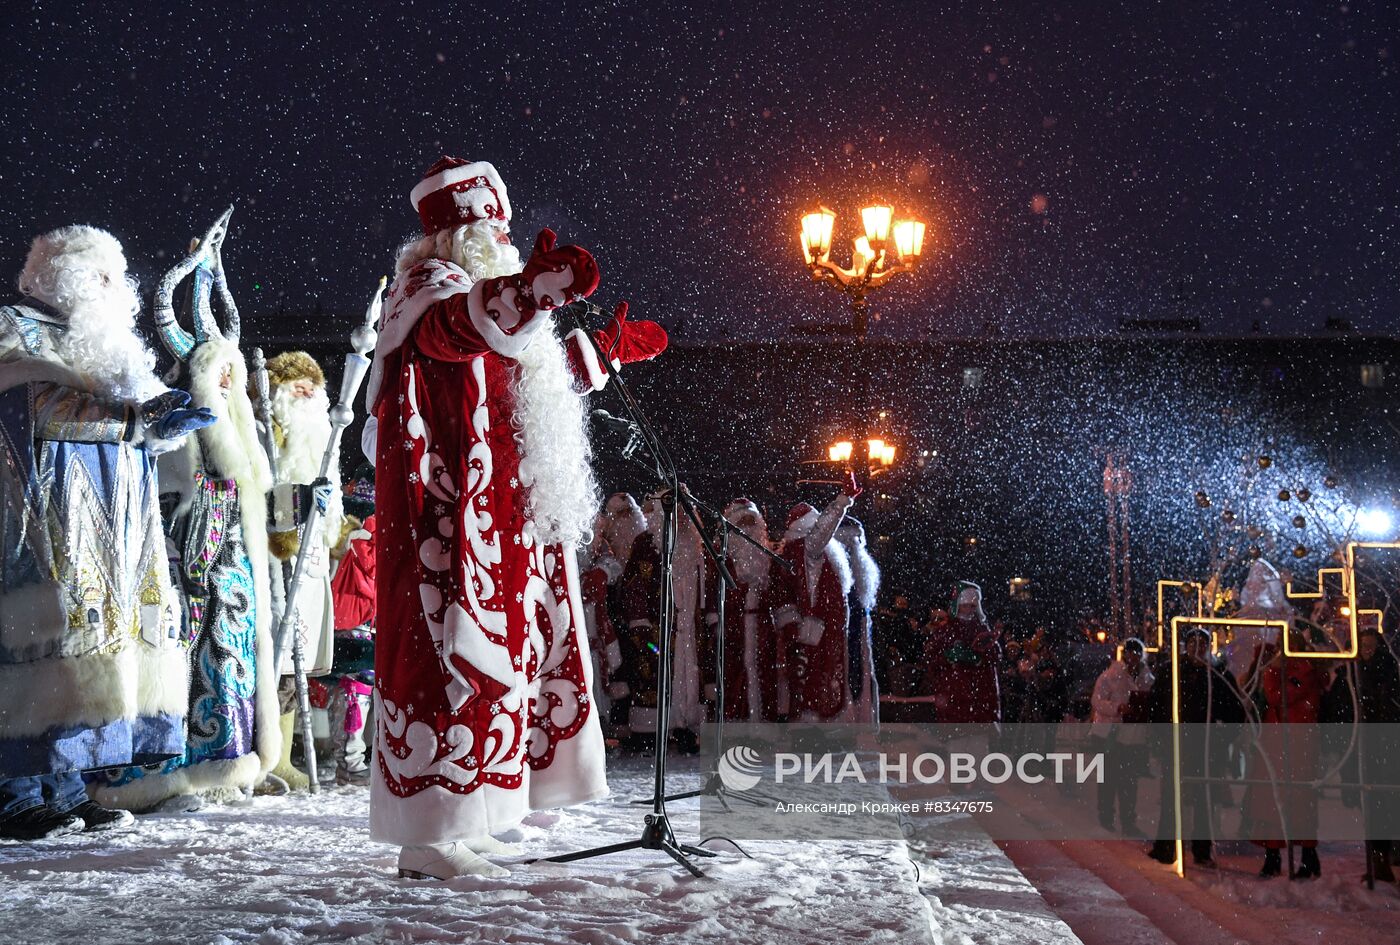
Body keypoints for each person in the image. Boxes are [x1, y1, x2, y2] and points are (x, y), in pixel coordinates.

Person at [365, 157, 667, 878]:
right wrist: (529, 291)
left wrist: (594, 352)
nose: (501, 236)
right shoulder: (428, 291)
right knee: (446, 665)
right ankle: (428, 837)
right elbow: (456, 332)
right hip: (450, 521)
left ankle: (479, 813)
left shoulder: (474, 289)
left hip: (499, 514)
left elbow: (512, 377)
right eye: (489, 227)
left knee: (506, 666)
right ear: (456, 233)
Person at [0, 226, 212, 839]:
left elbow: (138, 416)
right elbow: (26, 402)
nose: (113, 288)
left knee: (86, 646)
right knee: (39, 640)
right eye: (98, 274)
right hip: (41, 514)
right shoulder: (15, 328)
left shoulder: (108, 343)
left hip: (113, 527)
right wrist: (127, 419)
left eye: (115, 276)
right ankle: (14, 793)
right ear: (59, 275)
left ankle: (67, 786)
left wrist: (167, 418)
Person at [95, 220, 281, 811]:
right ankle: (182, 769)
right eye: (220, 373)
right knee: (194, 665)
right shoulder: (187, 434)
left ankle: (228, 762)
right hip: (188, 577)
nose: (229, 382)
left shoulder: (240, 434)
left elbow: (252, 497)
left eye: (233, 374)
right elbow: (175, 506)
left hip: (231, 576)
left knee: (233, 661)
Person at [258, 349, 344, 789]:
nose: (308, 389)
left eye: (314, 383)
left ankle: (284, 756)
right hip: (278, 554)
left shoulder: (321, 433)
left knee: (298, 664)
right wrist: (298, 502)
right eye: (297, 382)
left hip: (311, 558)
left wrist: (335, 526)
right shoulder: (267, 430)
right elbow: (261, 486)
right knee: (275, 657)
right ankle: (265, 756)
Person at [1146, 627, 1246, 866]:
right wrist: (1160, 736)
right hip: (1178, 741)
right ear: (1186, 645)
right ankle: (1166, 846)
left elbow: (1235, 711)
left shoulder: (1217, 674)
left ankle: (1201, 849)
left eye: (1202, 644)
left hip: (1206, 746)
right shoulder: (1172, 671)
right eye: (1193, 643)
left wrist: (1222, 739)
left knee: (1203, 798)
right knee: (1172, 796)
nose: (1197, 648)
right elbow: (1156, 706)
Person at [619, 490, 708, 753]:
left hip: (688, 626)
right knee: (656, 676)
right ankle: (651, 731)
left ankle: (683, 725)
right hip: (658, 626)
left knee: (686, 675)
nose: (679, 514)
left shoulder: (693, 543)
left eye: (684, 508)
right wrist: (640, 623)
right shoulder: (647, 543)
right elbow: (634, 586)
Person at [1242, 635, 1327, 879]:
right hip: (1281, 742)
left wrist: (1272, 672)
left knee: (1296, 798)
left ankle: (1300, 857)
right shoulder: (1297, 669)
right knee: (1276, 798)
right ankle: (1278, 855)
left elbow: (1278, 696)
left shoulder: (1303, 671)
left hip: (1294, 742)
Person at [773, 483, 859, 721]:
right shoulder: (808, 547)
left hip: (818, 626)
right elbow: (824, 529)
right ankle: (817, 728)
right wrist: (843, 500)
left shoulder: (797, 550)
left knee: (817, 679)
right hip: (817, 627)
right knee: (818, 679)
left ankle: (815, 725)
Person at [707, 498, 783, 722]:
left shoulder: (769, 556)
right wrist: (716, 625)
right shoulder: (720, 557)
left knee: (765, 676)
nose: (748, 528)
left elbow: (778, 593)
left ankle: (763, 725)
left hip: (762, 626)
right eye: (743, 523)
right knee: (733, 676)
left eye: (752, 522)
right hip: (732, 625)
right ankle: (736, 725)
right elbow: (711, 593)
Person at [327, 463, 377, 785]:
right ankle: (350, 761)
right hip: (353, 613)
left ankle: (355, 759)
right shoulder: (362, 525)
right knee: (355, 688)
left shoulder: (355, 518)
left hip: (365, 614)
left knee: (362, 687)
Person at [1089, 638, 1155, 837]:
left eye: (1136, 654)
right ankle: (1106, 816)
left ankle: (1128, 820)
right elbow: (1097, 701)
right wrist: (1117, 708)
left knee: (1129, 781)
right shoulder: (1110, 676)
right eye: (1130, 653)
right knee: (1109, 778)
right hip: (1110, 735)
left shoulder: (1148, 679)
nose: (1133, 658)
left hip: (1133, 737)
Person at [922, 582, 1002, 724]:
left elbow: (996, 655)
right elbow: (930, 658)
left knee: (978, 740)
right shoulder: (946, 631)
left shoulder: (981, 628)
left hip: (979, 696)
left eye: (973, 606)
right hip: (954, 693)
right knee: (958, 740)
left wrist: (979, 658)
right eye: (966, 605)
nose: (969, 609)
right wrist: (947, 657)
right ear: (958, 605)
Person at [835, 515, 880, 724]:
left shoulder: (857, 570)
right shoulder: (840, 570)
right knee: (846, 675)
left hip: (856, 629)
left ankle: (855, 717)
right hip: (843, 630)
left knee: (857, 675)